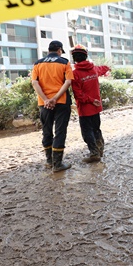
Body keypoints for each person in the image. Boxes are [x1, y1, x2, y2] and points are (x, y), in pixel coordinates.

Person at [31, 40, 74, 172]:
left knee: (47, 130)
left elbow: (34, 82)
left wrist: (46, 100)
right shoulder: (64, 62)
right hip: (61, 102)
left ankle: (49, 161)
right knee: (60, 131)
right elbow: (68, 82)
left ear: (49, 50)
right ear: (59, 50)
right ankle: (57, 164)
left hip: (44, 104)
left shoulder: (38, 63)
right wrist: (55, 98)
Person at [70, 44, 110, 163]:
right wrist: (107, 68)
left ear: (74, 58)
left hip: (85, 109)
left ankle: (94, 153)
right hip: (96, 107)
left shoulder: (75, 74)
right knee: (96, 128)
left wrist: (91, 100)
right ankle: (100, 149)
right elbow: (103, 69)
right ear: (86, 56)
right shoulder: (93, 69)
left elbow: (79, 95)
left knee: (87, 131)